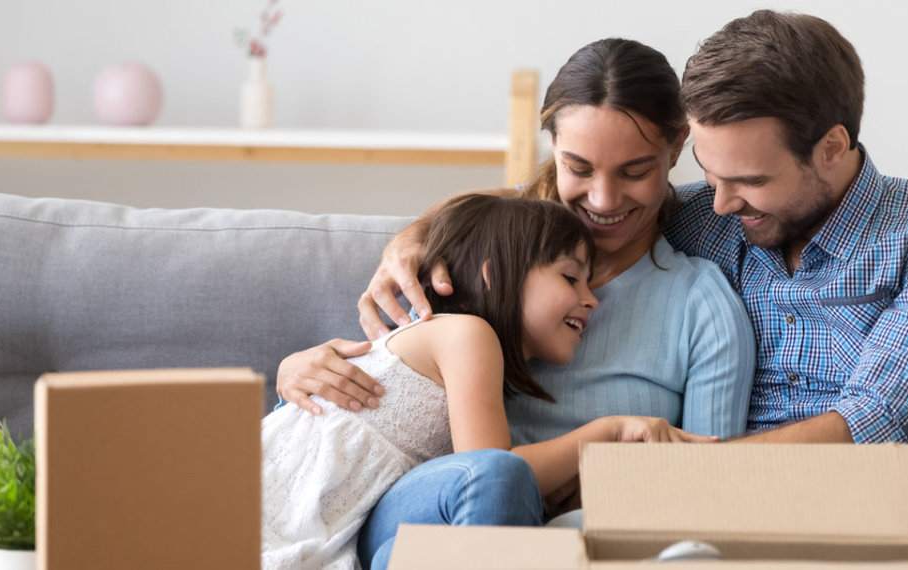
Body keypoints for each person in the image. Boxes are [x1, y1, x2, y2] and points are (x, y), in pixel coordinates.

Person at [365, 11, 908, 569]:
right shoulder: (712, 216)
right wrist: (416, 238)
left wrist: (643, 481)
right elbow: (542, 214)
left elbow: (875, 424)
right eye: (707, 173)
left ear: (830, 147)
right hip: (720, 527)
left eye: (749, 180)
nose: (719, 201)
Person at [274, 38, 756, 570]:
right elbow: (390, 382)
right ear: (552, 145)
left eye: (635, 171)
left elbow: (709, 479)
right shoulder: (494, 260)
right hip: (435, 506)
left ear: (677, 146)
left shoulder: (701, 304)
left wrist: (609, 493)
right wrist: (297, 372)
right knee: (498, 476)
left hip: (577, 537)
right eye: (578, 167)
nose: (602, 199)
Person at [261, 194, 714, 569]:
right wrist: (608, 431)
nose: (591, 300)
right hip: (283, 514)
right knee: (501, 473)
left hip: (367, 523)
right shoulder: (466, 334)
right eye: (570, 277)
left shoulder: (471, 352)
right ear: (494, 273)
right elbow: (490, 465)